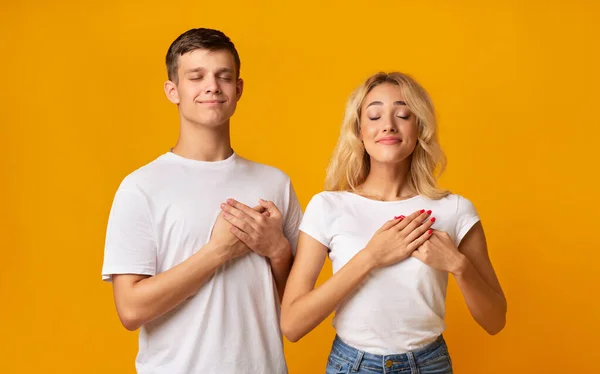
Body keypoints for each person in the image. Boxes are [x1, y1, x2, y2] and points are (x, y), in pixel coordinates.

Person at [101, 28, 302, 373]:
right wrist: (218, 251)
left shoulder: (275, 182)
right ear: (173, 91)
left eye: (224, 76)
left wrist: (278, 251)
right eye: (196, 77)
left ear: (238, 89)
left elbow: (299, 312)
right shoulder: (141, 188)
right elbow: (130, 310)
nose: (212, 86)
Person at [280, 72, 507, 374]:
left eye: (403, 114)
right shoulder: (328, 206)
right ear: (359, 131)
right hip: (352, 366)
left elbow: (495, 321)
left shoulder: (454, 209)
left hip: (430, 365)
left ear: (419, 129)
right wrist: (371, 257)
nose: (388, 124)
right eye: (374, 116)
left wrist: (458, 265)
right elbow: (293, 325)